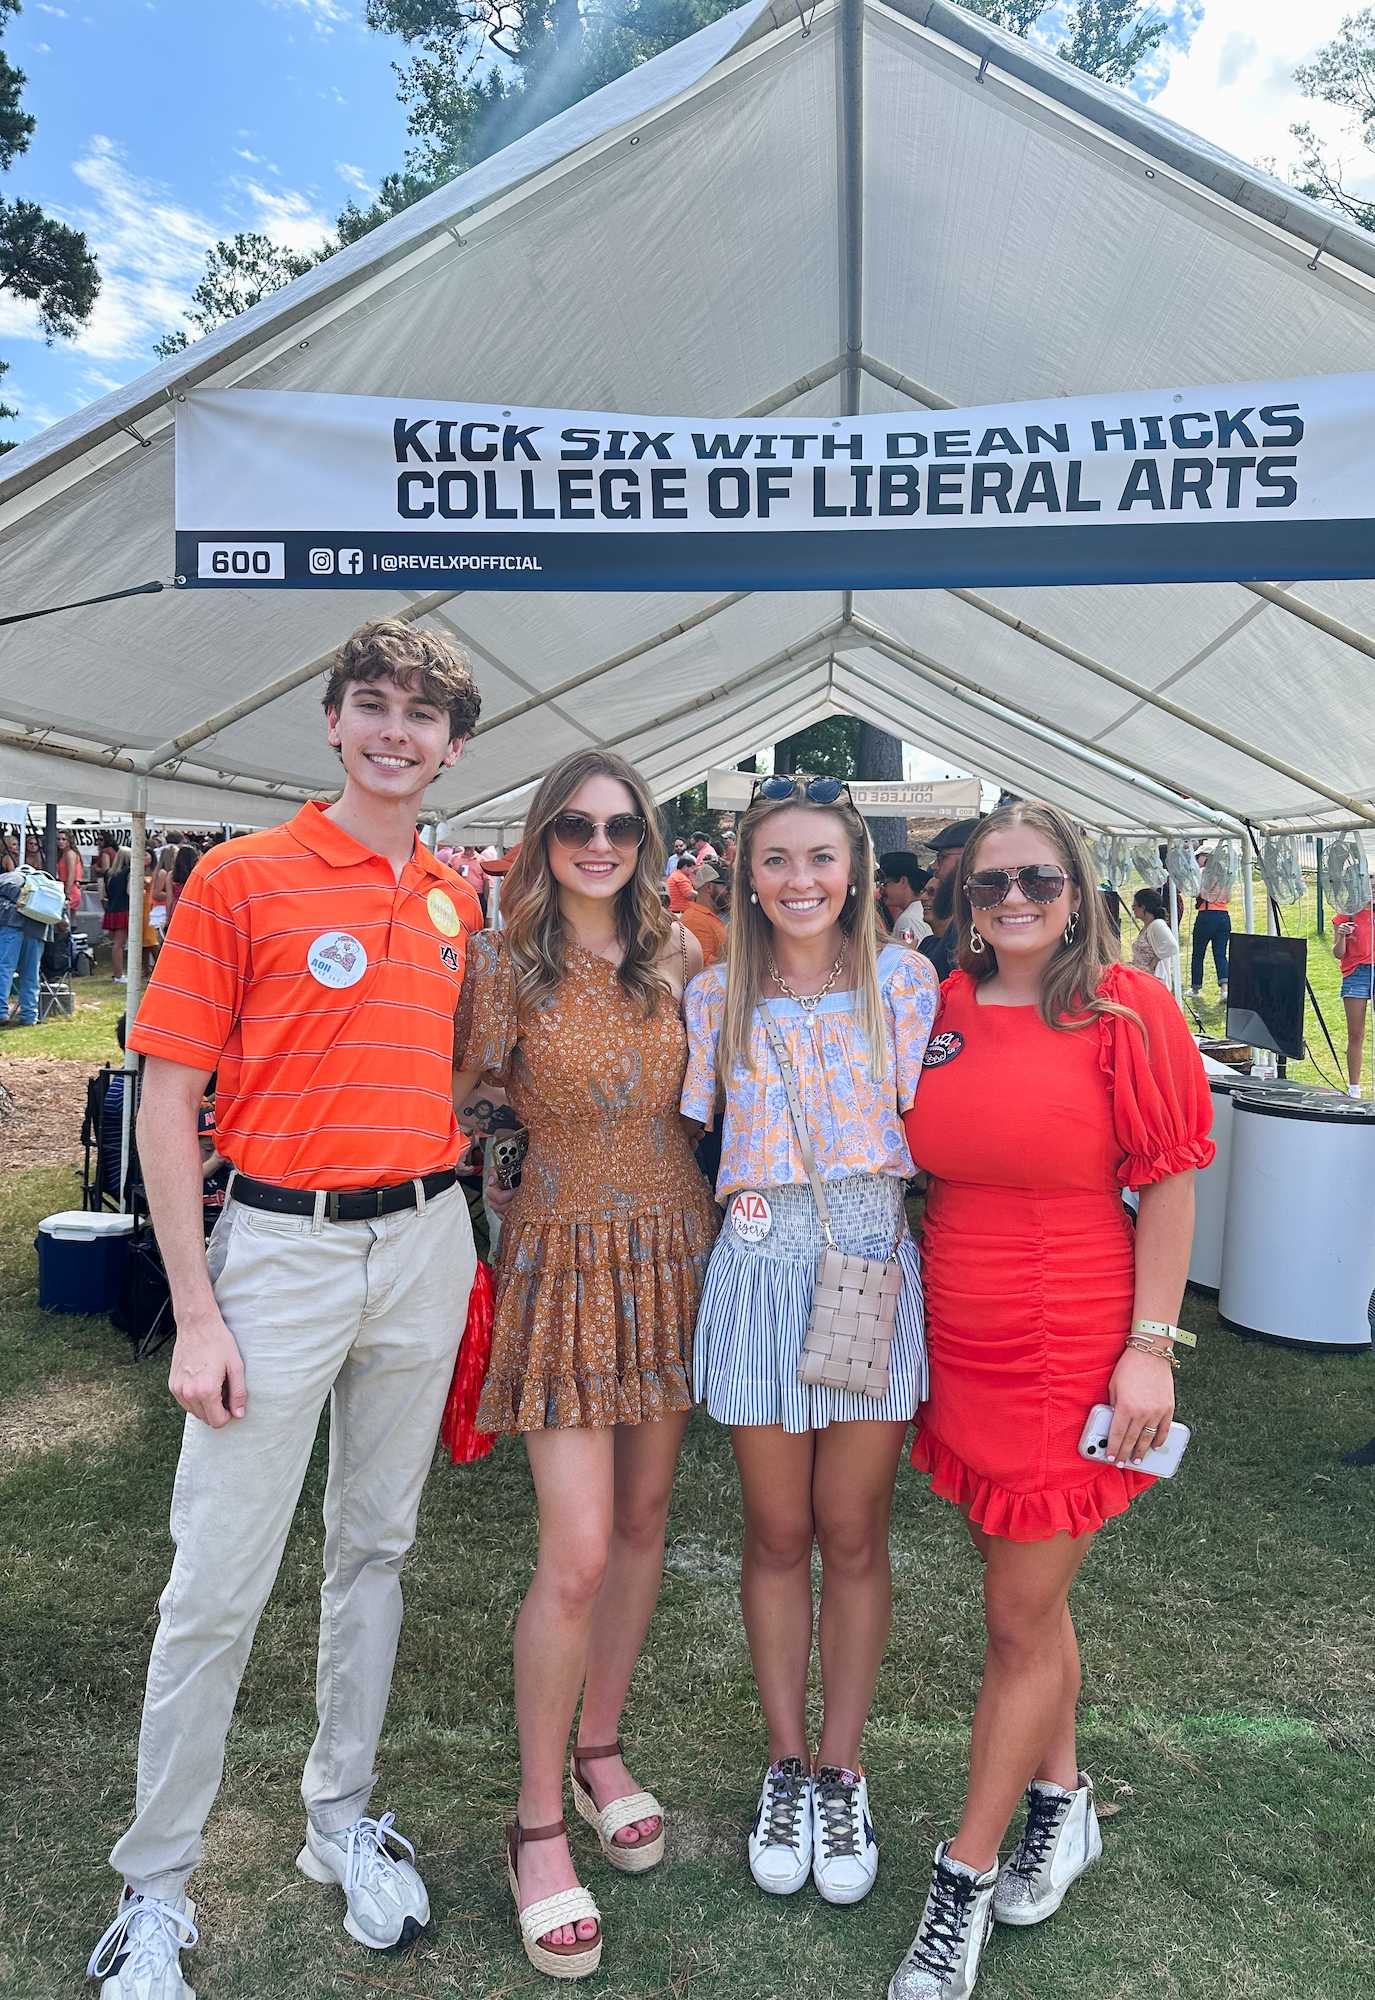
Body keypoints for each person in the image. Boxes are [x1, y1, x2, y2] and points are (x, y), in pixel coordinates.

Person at [86, 619, 484, 2000]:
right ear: (331, 721)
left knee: (375, 1550)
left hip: (426, 1240)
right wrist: (196, 1311)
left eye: (421, 715)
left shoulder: (452, 896)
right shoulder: (241, 876)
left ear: (451, 745)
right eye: (372, 705)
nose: (395, 732)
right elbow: (169, 1100)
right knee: (216, 1580)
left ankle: (337, 1818)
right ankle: (155, 1886)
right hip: (276, 1251)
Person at [888, 801, 1213, 2000]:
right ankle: (1061, 1803)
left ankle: (959, 1882)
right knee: (1028, 1599)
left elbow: (1169, 1181)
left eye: (1037, 878)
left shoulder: (1127, 1005)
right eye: (990, 884)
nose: (1014, 899)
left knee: (1016, 1617)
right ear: (963, 901)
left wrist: (1149, 1348)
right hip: (958, 1341)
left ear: (1077, 889)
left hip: (1069, 1340)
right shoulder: (939, 1005)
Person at [451, 748, 716, 1981]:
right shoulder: (501, 960)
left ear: (646, 839)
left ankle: (599, 1746)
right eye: (575, 825)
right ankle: (534, 1819)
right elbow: (466, 1100)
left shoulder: (683, 954)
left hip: (670, 1248)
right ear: (542, 836)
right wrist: (509, 1167)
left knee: (646, 1519)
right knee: (577, 1550)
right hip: (560, 1257)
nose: (599, 844)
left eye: (620, 826)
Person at [682, 775, 938, 1910]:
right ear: (746, 873)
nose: (799, 879)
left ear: (855, 870)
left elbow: (938, 1129)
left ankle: (843, 1767)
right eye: (776, 858)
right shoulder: (712, 993)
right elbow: (693, 1133)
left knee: (852, 1528)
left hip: (866, 1264)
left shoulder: (904, 982)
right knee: (778, 1529)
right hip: (757, 1267)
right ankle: (785, 1763)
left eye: (821, 857)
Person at [919, 819, 981, 982]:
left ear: (968, 857)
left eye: (942, 858)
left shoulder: (982, 917)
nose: (934, 866)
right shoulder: (964, 917)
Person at [1333, 876, 1375, 1098]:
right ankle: (1354, 1088)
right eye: (1370, 887)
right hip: (1356, 974)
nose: (1373, 891)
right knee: (1356, 1033)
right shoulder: (1346, 915)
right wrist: (1341, 935)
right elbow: (1338, 953)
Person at [0, 863, 49, 1028]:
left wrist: (23, 901)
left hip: (11, 925)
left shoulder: (8, 877)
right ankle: (29, 1016)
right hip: (37, 929)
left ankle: (1, 1012)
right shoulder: (46, 882)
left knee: (5, 969)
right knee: (30, 974)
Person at [1189, 859, 1231, 1002]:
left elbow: (1197, 892)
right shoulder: (1226, 878)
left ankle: (1195, 988)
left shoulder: (1204, 874)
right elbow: (1228, 898)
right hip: (1224, 915)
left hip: (1206, 914)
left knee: (1198, 953)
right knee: (1220, 954)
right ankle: (1224, 990)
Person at [681, 858, 728, 966]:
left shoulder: (704, 916)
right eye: (726, 887)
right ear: (709, 887)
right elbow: (704, 967)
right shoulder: (695, 921)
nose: (729, 892)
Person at [1129, 887, 1180, 988]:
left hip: (1154, 981)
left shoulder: (1157, 925)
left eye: (1134, 905)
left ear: (1143, 907)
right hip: (1144, 979)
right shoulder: (1148, 926)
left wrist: (1154, 963)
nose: (1133, 909)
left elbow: (1172, 946)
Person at [879, 852, 933, 945]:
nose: (881, 890)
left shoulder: (908, 921)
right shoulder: (920, 912)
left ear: (903, 881)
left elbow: (909, 952)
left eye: (885, 884)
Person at [101, 850, 131, 983]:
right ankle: (118, 975)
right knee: (119, 944)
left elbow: (103, 894)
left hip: (111, 909)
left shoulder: (108, 873)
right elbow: (130, 891)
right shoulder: (128, 872)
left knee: (116, 943)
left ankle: (117, 973)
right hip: (123, 909)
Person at [56, 826, 84, 914]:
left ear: (69, 841)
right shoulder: (64, 853)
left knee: (64, 917)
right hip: (67, 887)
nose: (60, 842)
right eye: (58, 839)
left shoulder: (70, 854)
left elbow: (71, 874)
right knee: (68, 917)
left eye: (64, 839)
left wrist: (67, 892)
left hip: (70, 888)